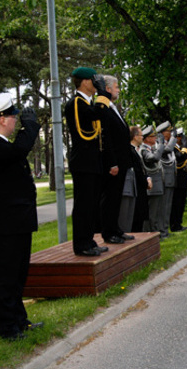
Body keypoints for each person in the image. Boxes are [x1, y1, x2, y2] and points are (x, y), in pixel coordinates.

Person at [0, 92, 42, 341]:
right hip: (5, 222)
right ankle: (7, 328)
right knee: (6, 275)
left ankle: (19, 321)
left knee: (17, 274)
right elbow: (20, 151)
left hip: (17, 220)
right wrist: (32, 126)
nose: (16, 122)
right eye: (14, 117)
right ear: (2, 119)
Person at [65, 67, 111, 256]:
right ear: (85, 82)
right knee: (84, 205)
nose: (97, 84)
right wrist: (103, 94)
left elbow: (98, 115)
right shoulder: (76, 103)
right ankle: (81, 244)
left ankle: (89, 240)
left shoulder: (88, 103)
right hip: (83, 161)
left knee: (92, 204)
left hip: (92, 160)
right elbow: (88, 127)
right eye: (94, 81)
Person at [100, 75, 134, 244]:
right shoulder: (104, 108)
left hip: (121, 161)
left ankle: (116, 228)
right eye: (116, 86)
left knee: (116, 197)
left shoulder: (112, 107)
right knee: (110, 197)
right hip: (113, 163)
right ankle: (108, 231)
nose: (119, 89)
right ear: (107, 89)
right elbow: (107, 138)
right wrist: (112, 162)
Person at [119, 126, 150, 233]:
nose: (142, 138)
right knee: (134, 222)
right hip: (136, 189)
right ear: (135, 137)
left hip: (139, 189)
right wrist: (146, 182)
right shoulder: (130, 151)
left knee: (139, 221)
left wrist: (147, 178)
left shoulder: (134, 151)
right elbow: (136, 171)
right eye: (141, 135)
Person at [140, 125, 165, 236]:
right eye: (153, 136)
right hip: (152, 185)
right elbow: (154, 158)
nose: (155, 138)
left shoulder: (150, 149)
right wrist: (161, 145)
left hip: (157, 184)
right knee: (152, 212)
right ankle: (151, 234)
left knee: (156, 211)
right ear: (147, 138)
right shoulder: (144, 150)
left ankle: (155, 232)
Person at [157, 122, 177, 237]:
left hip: (169, 179)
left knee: (167, 207)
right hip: (164, 179)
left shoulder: (165, 143)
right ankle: (162, 231)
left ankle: (165, 229)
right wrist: (174, 138)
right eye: (168, 131)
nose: (170, 134)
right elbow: (168, 150)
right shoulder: (159, 144)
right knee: (163, 207)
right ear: (163, 133)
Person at [170, 128, 187, 232]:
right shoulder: (173, 148)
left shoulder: (178, 148)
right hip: (177, 180)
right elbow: (180, 158)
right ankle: (175, 225)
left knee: (181, 203)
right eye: (180, 137)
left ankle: (179, 223)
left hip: (182, 179)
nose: (181, 139)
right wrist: (186, 147)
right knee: (177, 203)